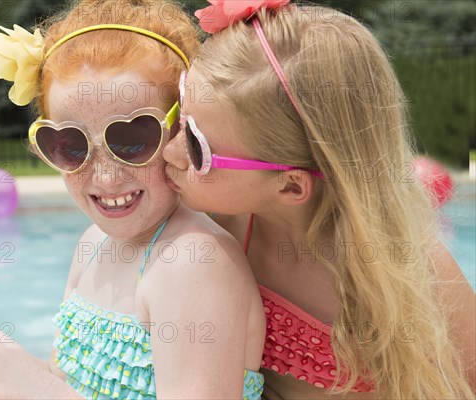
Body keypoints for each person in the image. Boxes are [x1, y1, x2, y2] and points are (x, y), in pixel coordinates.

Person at [0, 1, 266, 399]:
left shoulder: (191, 262)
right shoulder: (93, 246)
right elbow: (68, 386)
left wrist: (28, 385)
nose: (105, 175)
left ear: (180, 130)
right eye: (70, 146)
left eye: (132, 141)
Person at [162, 1, 476, 399]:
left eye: (195, 145)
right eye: (179, 111)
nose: (169, 151)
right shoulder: (208, 229)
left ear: (291, 186)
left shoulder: (410, 271)